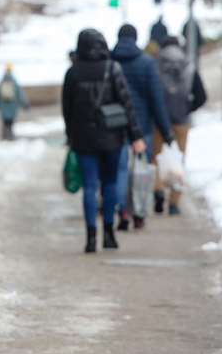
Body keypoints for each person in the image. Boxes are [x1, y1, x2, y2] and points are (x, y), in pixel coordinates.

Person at [61, 28, 146, 254]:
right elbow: (127, 104)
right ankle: (109, 234)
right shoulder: (112, 68)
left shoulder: (73, 73)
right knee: (109, 183)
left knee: (89, 186)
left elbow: (66, 109)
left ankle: (90, 238)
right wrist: (136, 136)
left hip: (83, 137)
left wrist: (71, 135)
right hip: (112, 136)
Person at [111, 23, 175, 230]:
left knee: (119, 170)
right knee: (141, 170)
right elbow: (157, 100)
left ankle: (122, 208)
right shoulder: (147, 63)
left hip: (115, 125)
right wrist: (165, 130)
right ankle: (139, 212)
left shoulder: (110, 62)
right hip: (142, 126)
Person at [152, 36, 207, 215]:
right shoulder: (188, 67)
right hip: (181, 122)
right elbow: (201, 96)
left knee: (155, 158)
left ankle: (158, 189)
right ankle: (174, 203)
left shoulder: (155, 65)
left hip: (159, 121)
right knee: (178, 161)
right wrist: (187, 109)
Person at [0, 64, 30, 140]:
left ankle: (4, 137)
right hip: (12, 105)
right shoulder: (14, 81)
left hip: (3, 105)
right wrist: (25, 104)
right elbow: (20, 93)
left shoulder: (1, 81)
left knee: (5, 122)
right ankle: (10, 137)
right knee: (10, 122)